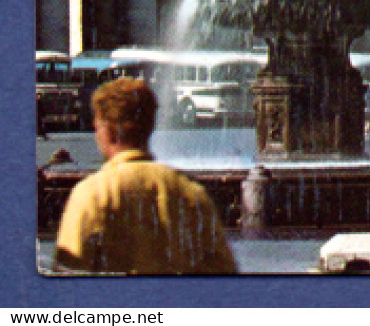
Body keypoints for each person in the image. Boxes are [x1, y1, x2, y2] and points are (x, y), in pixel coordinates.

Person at [52, 77, 236, 275]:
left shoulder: (92, 196)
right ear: (149, 126)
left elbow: (67, 278)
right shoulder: (191, 194)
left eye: (96, 127)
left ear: (109, 131)